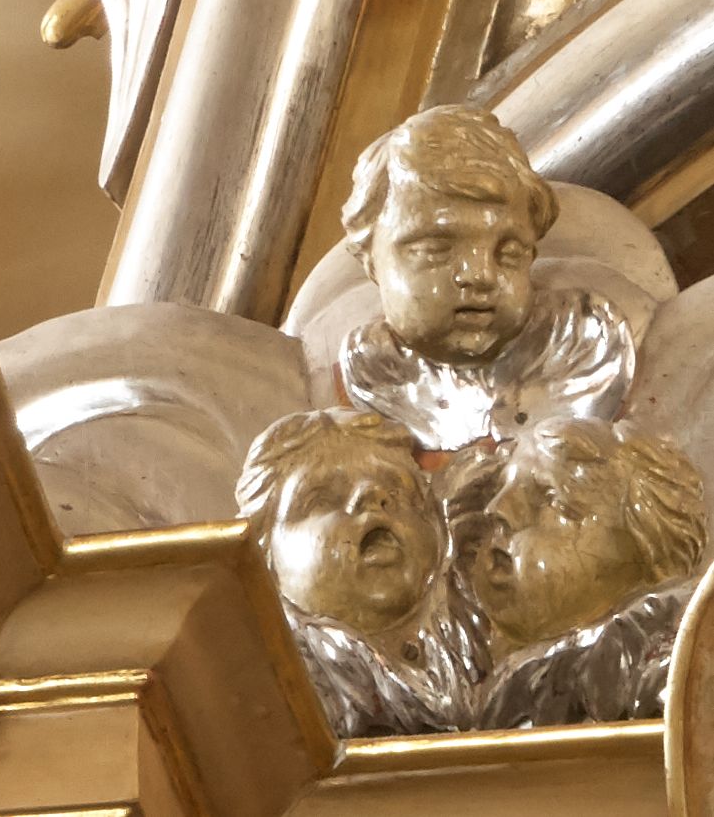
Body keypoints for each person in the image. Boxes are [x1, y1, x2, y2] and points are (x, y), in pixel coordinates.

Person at [335, 106, 630, 449]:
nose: (481, 275)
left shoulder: (587, 350)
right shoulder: (357, 379)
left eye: (510, 253)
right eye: (435, 249)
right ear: (370, 259)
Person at [236, 408, 481, 735]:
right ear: (263, 557)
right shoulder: (263, 693)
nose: (371, 494)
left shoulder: (477, 649)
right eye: (322, 499)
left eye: (397, 492)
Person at [466, 416, 706, 724]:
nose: (496, 509)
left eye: (550, 498)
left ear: (652, 554)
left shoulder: (663, 676)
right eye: (504, 490)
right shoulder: (483, 680)